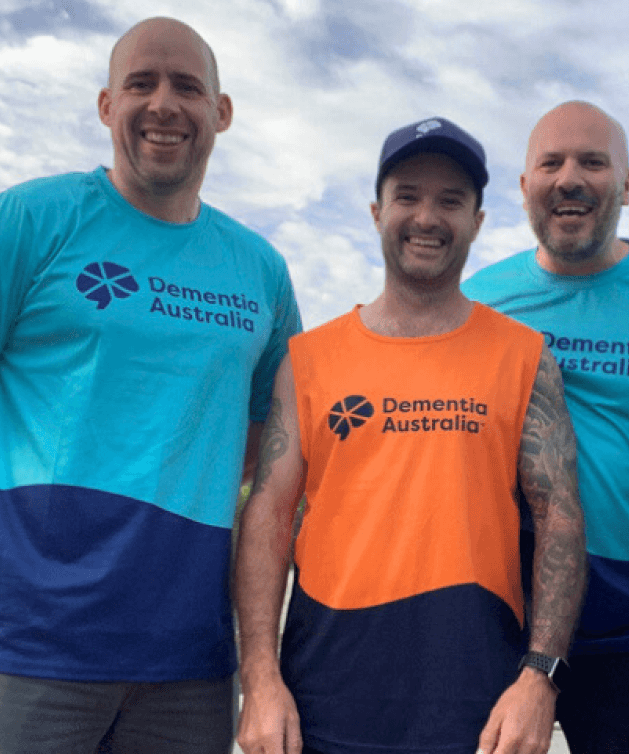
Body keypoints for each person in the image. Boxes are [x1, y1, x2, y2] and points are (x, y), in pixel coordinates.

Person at [0, 17, 300, 753]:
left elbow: (270, 434)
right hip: (30, 643)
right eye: (140, 84)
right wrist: (30, 481)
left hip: (188, 660)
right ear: (107, 106)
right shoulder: (31, 218)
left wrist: (183, 471)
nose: (164, 104)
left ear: (223, 111)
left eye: (187, 87)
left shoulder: (260, 270)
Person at [233, 116, 588, 754]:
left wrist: (541, 678)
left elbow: (559, 518)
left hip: (475, 699)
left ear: (478, 221)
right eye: (408, 197)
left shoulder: (524, 358)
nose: (427, 217)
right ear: (376, 212)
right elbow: (269, 516)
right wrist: (260, 679)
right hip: (326, 691)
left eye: (450, 200)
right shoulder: (309, 359)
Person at [463, 101, 629, 754]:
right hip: (498, 625)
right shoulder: (480, 300)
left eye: (593, 162)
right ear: (525, 188)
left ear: (628, 185)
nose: (569, 178)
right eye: (550, 163)